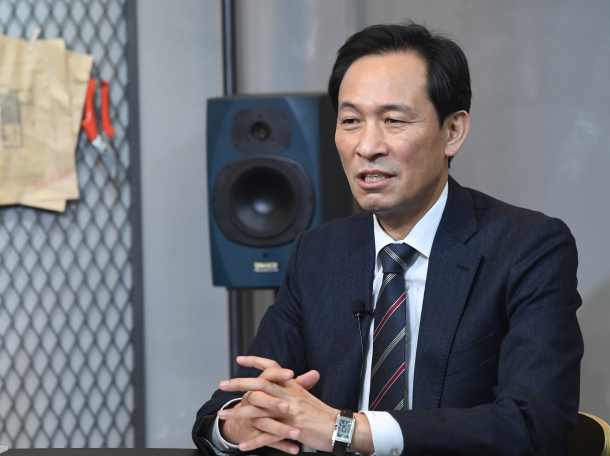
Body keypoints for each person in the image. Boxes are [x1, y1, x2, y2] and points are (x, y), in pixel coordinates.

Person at [193, 23, 583, 456]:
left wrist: (346, 430)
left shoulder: (527, 247)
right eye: (350, 121)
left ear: (453, 132)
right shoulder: (318, 253)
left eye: (393, 121)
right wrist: (240, 426)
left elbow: (532, 423)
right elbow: (224, 409)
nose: (367, 146)